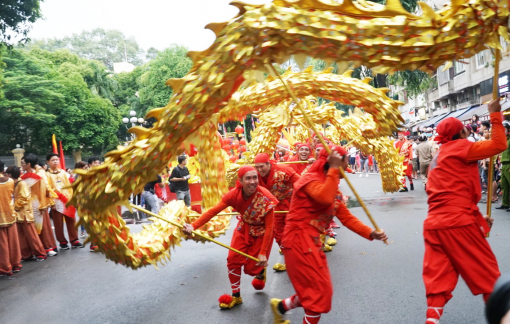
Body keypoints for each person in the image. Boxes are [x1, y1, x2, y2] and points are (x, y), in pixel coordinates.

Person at [270, 146, 387, 324]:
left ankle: (282, 307)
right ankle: (284, 307)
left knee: (321, 292)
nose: (348, 165)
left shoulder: (334, 190)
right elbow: (323, 197)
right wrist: (333, 168)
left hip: (312, 244)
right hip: (298, 244)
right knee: (317, 296)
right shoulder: (310, 180)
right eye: (345, 161)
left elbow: (347, 219)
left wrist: (371, 233)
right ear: (335, 162)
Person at [422, 98, 506, 324]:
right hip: (457, 222)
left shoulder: (438, 157)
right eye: (465, 131)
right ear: (461, 134)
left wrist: (477, 220)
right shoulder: (461, 147)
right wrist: (495, 115)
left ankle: (431, 320)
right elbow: (499, 145)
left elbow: (449, 194)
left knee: (439, 280)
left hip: (434, 225)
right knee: (489, 278)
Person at [182, 166, 277, 309]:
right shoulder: (234, 194)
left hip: (262, 233)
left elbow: (270, 227)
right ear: (240, 181)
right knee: (233, 260)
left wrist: (263, 253)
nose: (252, 182)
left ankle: (260, 272)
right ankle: (236, 296)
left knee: (252, 269)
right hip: (243, 228)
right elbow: (213, 211)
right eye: (248, 178)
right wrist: (193, 226)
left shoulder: (266, 197)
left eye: (255, 178)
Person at [254, 153, 300, 272]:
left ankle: (299, 259)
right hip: (275, 208)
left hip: (292, 205)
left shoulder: (283, 170)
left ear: (268, 164)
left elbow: (301, 183)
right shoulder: (255, 176)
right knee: (279, 234)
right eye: (257, 167)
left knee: (294, 233)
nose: (259, 170)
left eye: (262, 167)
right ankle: (290, 259)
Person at [5, 166, 47, 262]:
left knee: (31, 235)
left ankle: (41, 253)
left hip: (24, 213)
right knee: (22, 236)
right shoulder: (15, 183)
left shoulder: (21, 184)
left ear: (10, 175)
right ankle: (26, 254)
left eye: (7, 174)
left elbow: (24, 198)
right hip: (18, 213)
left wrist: (14, 206)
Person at [21, 154, 57, 256]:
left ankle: (47, 248)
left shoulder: (39, 174)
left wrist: (42, 205)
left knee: (43, 227)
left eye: (23, 163)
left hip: (38, 204)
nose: (21, 165)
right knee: (32, 229)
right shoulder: (24, 176)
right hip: (28, 206)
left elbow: (43, 190)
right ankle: (34, 249)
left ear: (28, 164)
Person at [46, 153, 82, 249]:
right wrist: (52, 203)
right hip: (56, 201)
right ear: (48, 162)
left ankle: (74, 240)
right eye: (53, 160)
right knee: (58, 223)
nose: (55, 161)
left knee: (71, 219)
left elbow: (69, 187)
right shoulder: (47, 175)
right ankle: (62, 241)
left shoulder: (63, 173)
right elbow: (47, 189)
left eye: (57, 160)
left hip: (67, 200)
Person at [0, 161, 22, 276]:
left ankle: (5, 267)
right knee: (13, 241)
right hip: (10, 213)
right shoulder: (10, 181)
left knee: (2, 244)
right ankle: (16, 264)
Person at [496, 121, 510, 211]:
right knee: (504, 186)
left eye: (504, 128)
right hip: (503, 165)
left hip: (509, 164)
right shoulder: (504, 140)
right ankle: (505, 203)